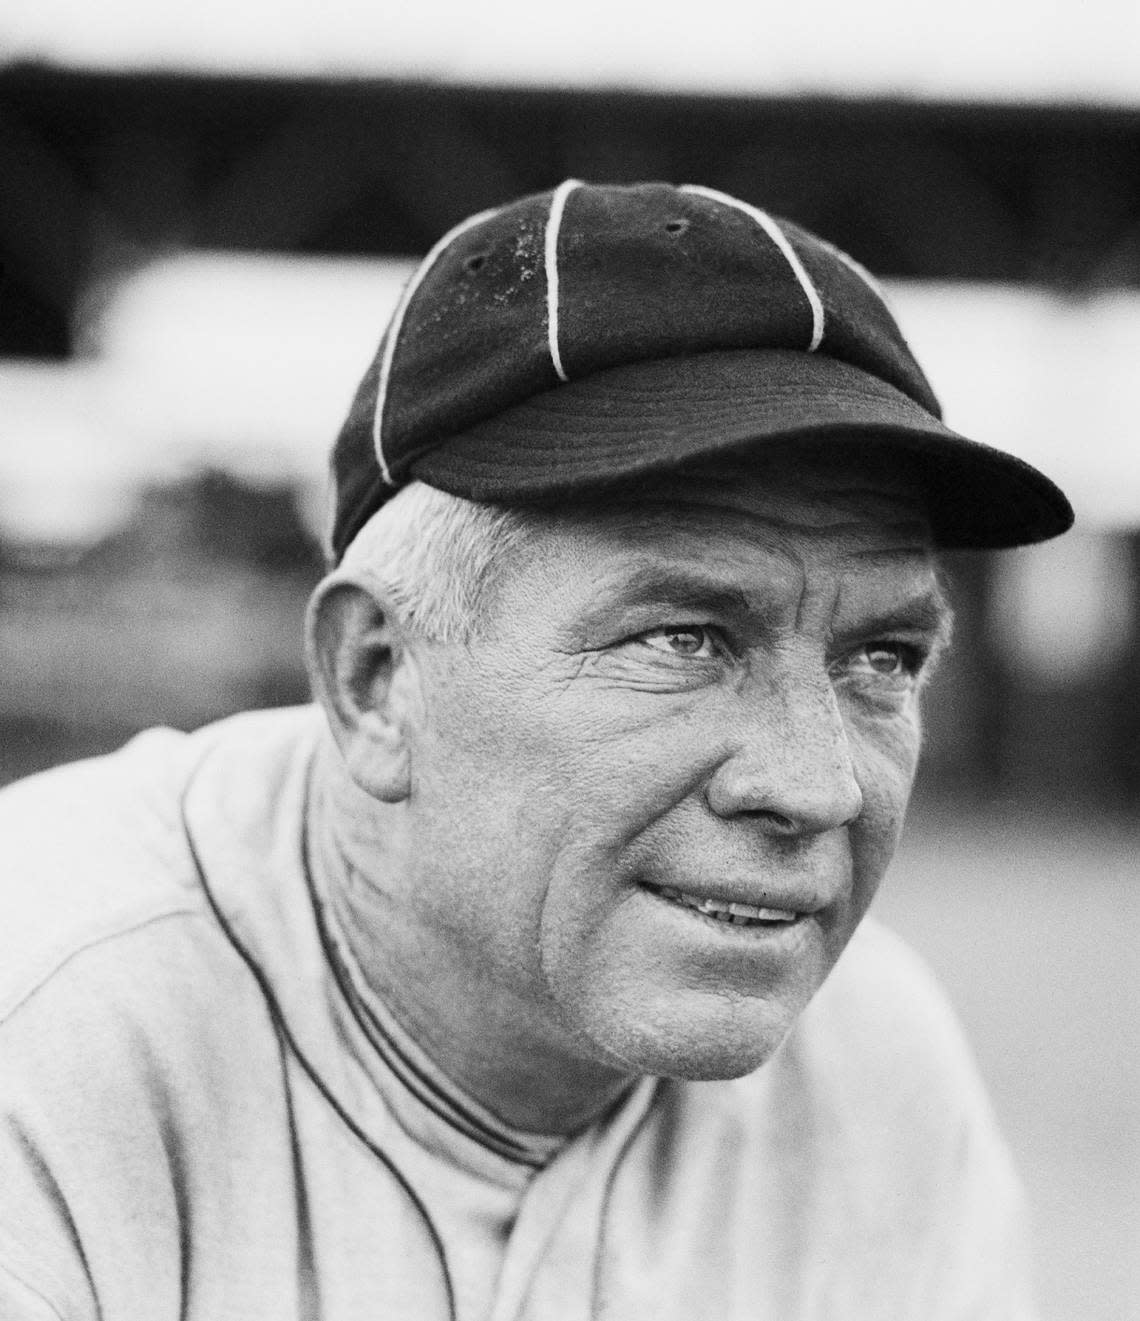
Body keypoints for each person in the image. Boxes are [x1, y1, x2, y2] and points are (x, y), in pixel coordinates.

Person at [0, 180, 1072, 1321]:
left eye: (884, 658)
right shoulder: (49, 1021)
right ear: (378, 680)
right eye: (686, 638)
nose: (816, 785)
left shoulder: (870, 1070)